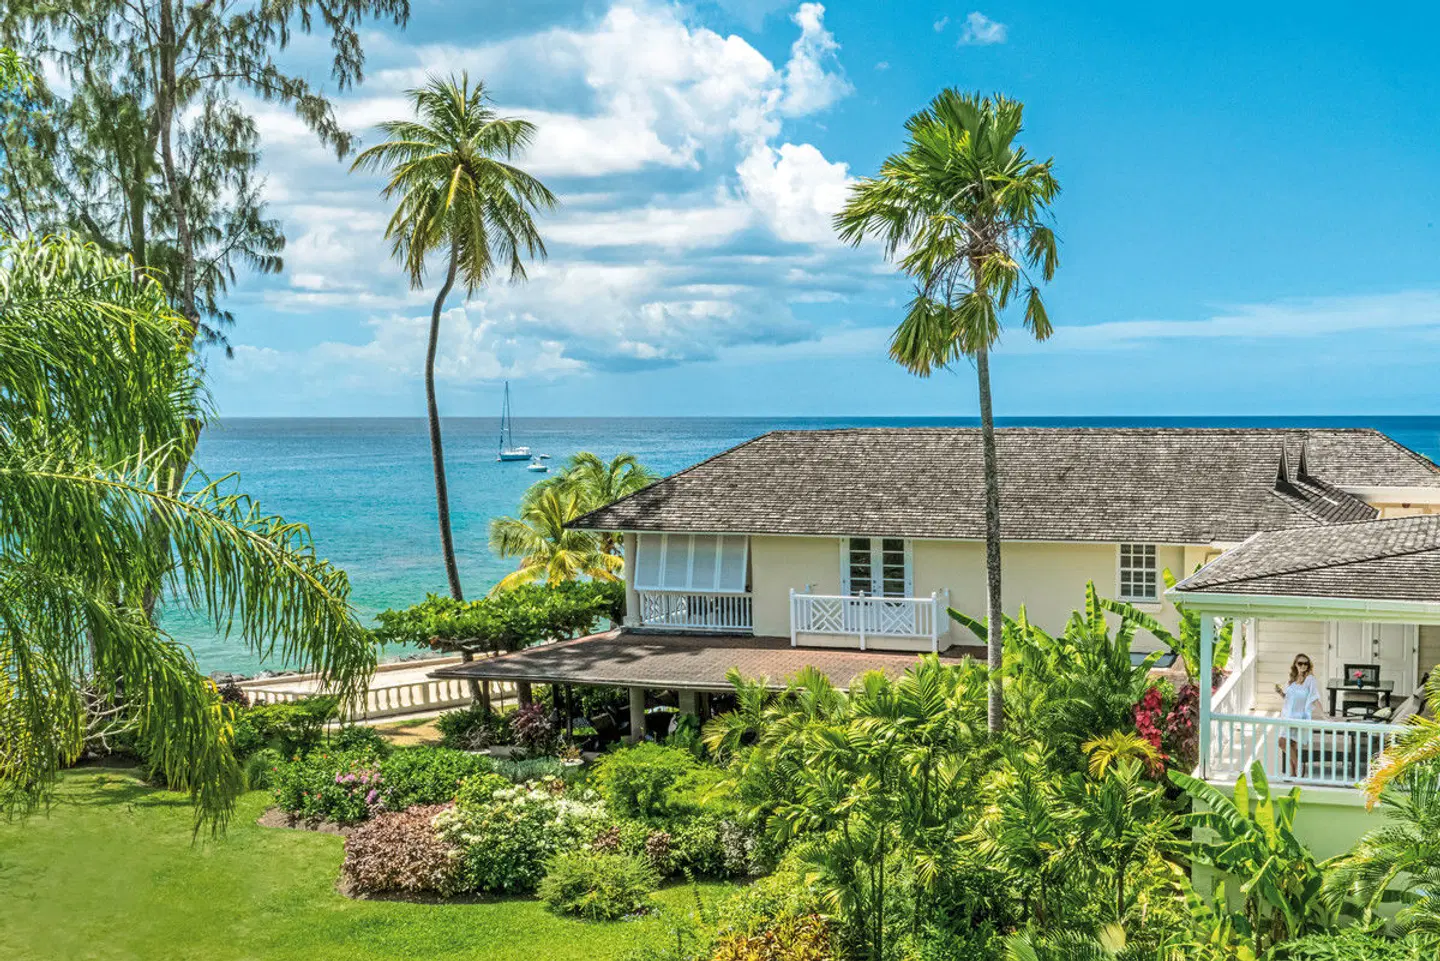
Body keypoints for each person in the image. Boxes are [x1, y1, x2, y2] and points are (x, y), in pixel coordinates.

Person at [1275, 653, 1322, 776]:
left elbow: (1315, 698)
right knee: (1288, 744)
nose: (1303, 666)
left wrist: (1324, 716)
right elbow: (1287, 697)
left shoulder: (1310, 680)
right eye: (1300, 663)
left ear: (1308, 665)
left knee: (1283, 742)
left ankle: (1298, 765)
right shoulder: (1291, 680)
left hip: (1299, 717)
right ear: (1295, 664)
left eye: (1305, 663)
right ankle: (1294, 772)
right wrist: (1280, 692)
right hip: (1287, 716)